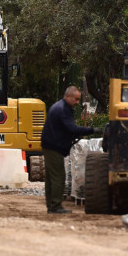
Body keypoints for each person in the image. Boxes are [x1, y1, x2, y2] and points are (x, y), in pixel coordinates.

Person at [40, 85, 95, 214]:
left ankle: (51, 205)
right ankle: (56, 206)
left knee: (50, 178)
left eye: (78, 99)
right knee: (58, 177)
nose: (77, 102)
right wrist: (91, 130)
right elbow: (72, 129)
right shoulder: (63, 109)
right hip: (54, 147)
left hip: (49, 145)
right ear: (68, 96)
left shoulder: (58, 107)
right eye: (75, 99)